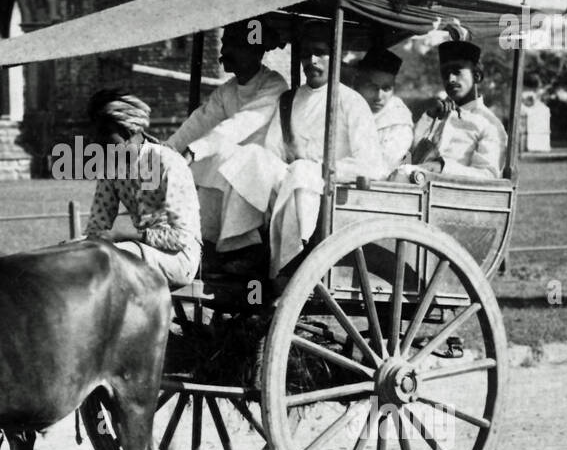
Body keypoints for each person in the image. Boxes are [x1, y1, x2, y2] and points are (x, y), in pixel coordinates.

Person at [211, 36, 385, 275]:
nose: (311, 61)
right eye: (306, 54)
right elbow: (272, 150)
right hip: (289, 178)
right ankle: (244, 247)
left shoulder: (351, 102)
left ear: (335, 57)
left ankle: (293, 257)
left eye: (320, 52)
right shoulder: (289, 99)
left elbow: (371, 164)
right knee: (250, 155)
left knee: (302, 171)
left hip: (328, 187)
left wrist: (324, 166)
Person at [166, 19, 287, 241]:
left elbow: (242, 123)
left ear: (255, 52)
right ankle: (201, 240)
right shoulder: (227, 91)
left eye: (234, 45)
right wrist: (168, 150)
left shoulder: (273, 84)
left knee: (227, 158)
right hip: (234, 163)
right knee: (201, 165)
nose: (224, 51)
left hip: (265, 168)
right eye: (224, 43)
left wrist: (196, 150)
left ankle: (243, 245)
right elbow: (199, 122)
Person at [82, 90, 202, 288]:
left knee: (107, 259)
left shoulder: (167, 162)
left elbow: (181, 237)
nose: (97, 140)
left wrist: (125, 235)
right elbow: (97, 225)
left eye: (104, 132)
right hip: (139, 250)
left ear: (128, 130)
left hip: (179, 259)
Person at [395, 39, 508, 181]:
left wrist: (443, 167)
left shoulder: (489, 125)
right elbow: (409, 154)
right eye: (445, 73)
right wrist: (429, 118)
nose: (450, 79)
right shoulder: (438, 115)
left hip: (454, 197)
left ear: (477, 74)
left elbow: (488, 175)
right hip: (416, 186)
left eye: (457, 71)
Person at [353, 47, 413, 177]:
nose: (379, 96)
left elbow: (382, 167)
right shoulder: (349, 106)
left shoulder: (398, 122)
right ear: (358, 85)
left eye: (386, 88)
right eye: (372, 87)